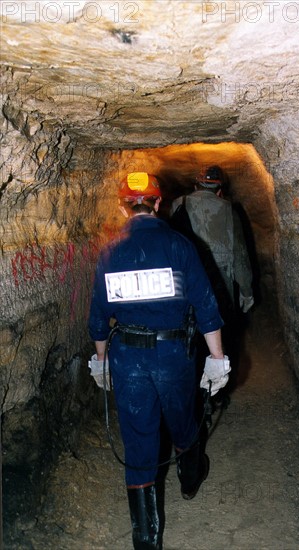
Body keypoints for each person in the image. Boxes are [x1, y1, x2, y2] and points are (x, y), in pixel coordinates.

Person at [88, 172, 230, 550]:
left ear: (123, 206)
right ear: (156, 203)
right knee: (182, 418)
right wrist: (216, 358)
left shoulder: (108, 253)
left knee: (138, 441)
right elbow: (205, 306)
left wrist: (101, 361)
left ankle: (146, 539)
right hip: (173, 355)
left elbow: (99, 318)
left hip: (127, 359)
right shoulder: (179, 245)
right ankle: (189, 479)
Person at [170, 165, 254, 404]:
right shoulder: (228, 210)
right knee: (219, 336)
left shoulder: (179, 205)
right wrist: (247, 292)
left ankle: (189, 393)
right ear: (219, 190)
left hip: (184, 285)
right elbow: (240, 254)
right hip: (220, 286)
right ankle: (214, 393)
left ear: (196, 186)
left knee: (189, 338)